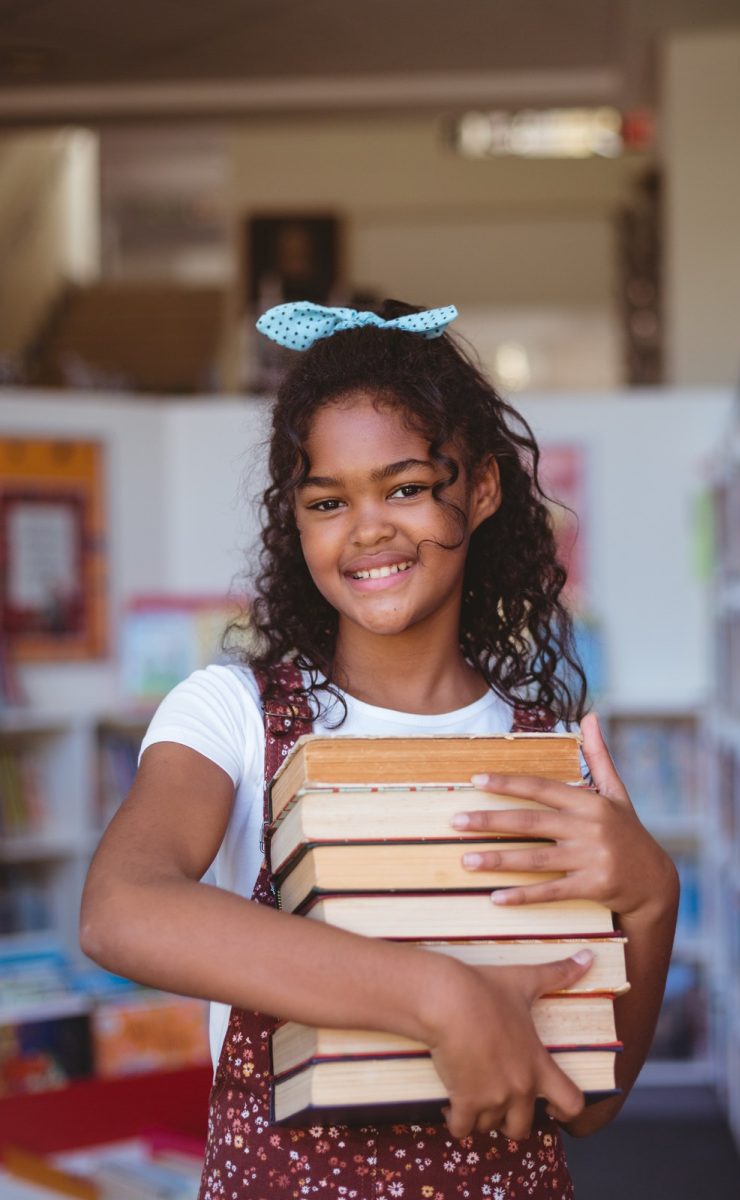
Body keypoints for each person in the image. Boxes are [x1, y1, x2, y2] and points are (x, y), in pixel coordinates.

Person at [80, 299, 680, 1199]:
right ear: (298, 521)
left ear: (479, 489)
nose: (368, 529)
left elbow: (585, 1104)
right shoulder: (235, 715)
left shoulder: (540, 749)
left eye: (404, 487)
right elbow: (119, 909)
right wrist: (441, 995)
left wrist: (651, 896)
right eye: (329, 501)